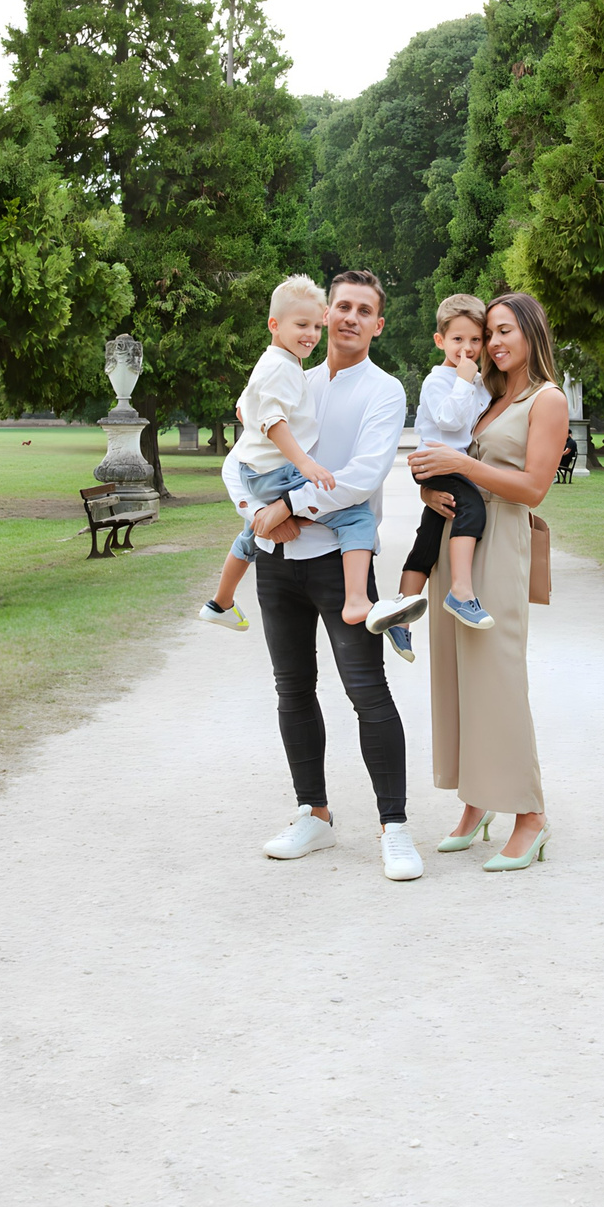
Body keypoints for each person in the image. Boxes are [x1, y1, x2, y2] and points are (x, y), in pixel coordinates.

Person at [238, 270, 421, 883]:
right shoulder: (289, 376)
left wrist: (289, 508)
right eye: (340, 306)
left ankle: (394, 827)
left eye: (361, 310)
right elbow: (246, 455)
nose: (346, 318)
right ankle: (312, 813)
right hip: (278, 563)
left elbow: (365, 475)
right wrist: (259, 518)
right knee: (292, 688)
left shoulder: (385, 391)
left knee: (367, 692)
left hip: (342, 562)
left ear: (377, 324)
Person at [407, 291, 570, 873]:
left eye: (505, 331)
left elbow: (532, 488)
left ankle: (531, 815)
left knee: (498, 676)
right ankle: (476, 803)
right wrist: (430, 486)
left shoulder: (547, 399)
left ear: (531, 332)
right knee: (460, 675)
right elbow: (445, 454)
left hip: (502, 544)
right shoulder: (490, 397)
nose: (495, 343)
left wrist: (463, 468)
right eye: (489, 333)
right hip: (461, 544)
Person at [197, 274, 381, 632]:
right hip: (276, 472)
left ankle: (221, 601)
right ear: (274, 324)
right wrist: (304, 462)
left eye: (316, 325)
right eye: (301, 325)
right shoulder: (283, 366)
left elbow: (247, 407)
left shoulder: (278, 361)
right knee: (357, 516)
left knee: (257, 531)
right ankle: (357, 598)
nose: (311, 334)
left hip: (259, 473)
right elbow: (271, 420)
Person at [364, 293, 493, 662]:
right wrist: (464, 381)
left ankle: (400, 621)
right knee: (472, 512)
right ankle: (461, 593)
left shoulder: (477, 380)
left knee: (427, 543)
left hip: (449, 466)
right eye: (457, 340)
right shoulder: (440, 381)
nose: (466, 349)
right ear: (440, 341)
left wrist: (472, 381)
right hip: (438, 464)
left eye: (474, 340)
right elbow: (452, 421)